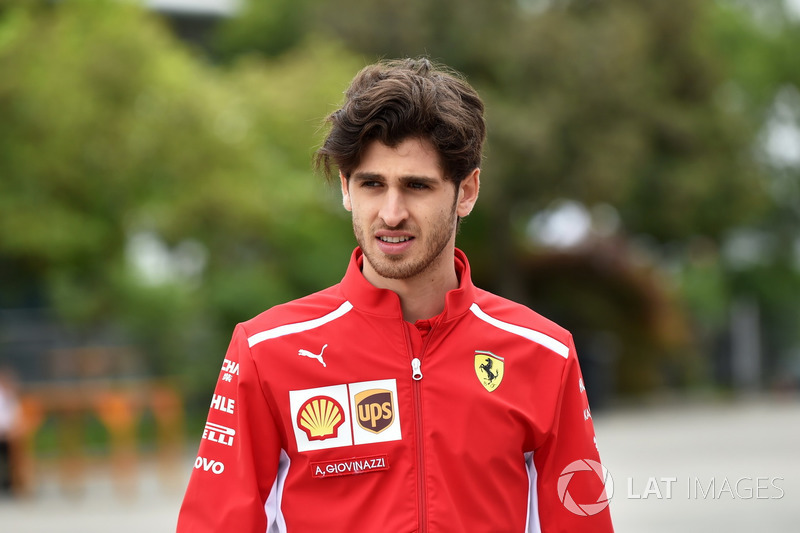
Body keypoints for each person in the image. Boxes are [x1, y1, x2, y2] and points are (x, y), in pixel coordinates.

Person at [177, 57, 614, 532]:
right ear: (346, 188)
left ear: (466, 191)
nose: (391, 213)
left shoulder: (544, 353)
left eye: (416, 186)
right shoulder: (265, 352)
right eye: (371, 184)